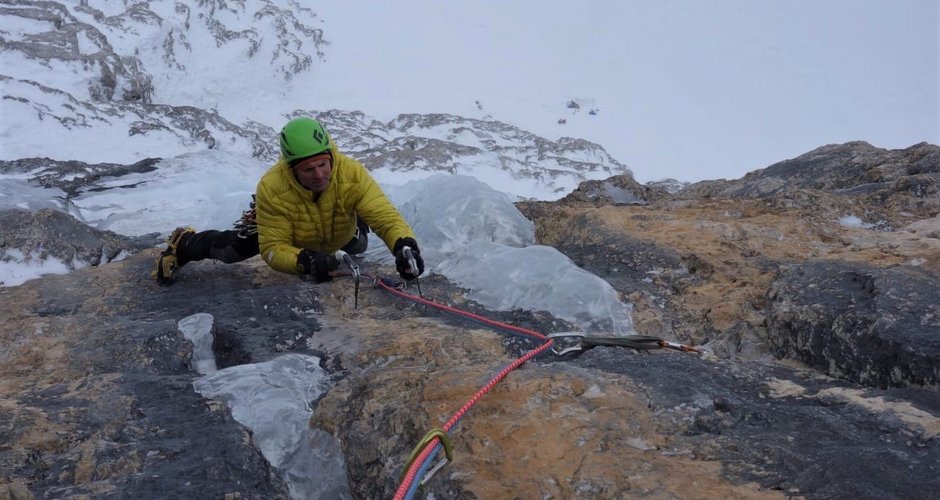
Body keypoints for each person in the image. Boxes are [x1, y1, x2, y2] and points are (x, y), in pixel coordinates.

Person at [154, 117, 425, 284]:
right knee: (231, 252)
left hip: (338, 232)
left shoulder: (351, 173)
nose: (319, 175)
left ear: (331, 156)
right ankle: (186, 243)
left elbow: (386, 217)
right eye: (308, 169)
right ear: (291, 168)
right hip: (290, 234)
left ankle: (357, 214)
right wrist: (303, 261)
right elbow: (273, 248)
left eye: (323, 164)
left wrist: (404, 245)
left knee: (360, 243)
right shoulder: (273, 187)